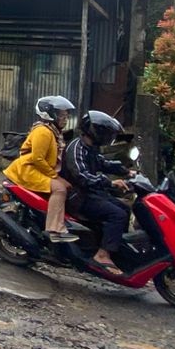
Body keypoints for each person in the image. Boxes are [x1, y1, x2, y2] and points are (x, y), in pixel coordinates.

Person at [59, 110, 131, 275]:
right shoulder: (76, 148)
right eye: (107, 133)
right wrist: (110, 182)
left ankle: (115, 250)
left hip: (90, 193)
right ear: (96, 131)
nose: (109, 137)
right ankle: (102, 255)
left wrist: (126, 171)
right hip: (78, 197)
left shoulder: (90, 148)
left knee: (125, 209)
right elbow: (82, 176)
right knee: (117, 215)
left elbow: (102, 163)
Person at [2, 95, 76, 243]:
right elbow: (38, 159)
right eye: (62, 115)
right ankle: (54, 230)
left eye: (66, 115)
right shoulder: (43, 132)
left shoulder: (53, 132)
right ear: (50, 114)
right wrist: (55, 177)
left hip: (37, 169)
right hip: (27, 170)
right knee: (60, 189)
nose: (65, 119)